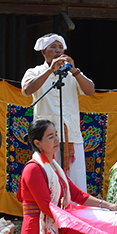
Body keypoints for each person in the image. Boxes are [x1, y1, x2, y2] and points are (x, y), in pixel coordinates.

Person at [17, 119, 117, 234]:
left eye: (56, 135)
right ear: (38, 143)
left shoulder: (54, 168)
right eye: (50, 137)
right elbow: (47, 208)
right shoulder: (33, 169)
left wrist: (107, 206)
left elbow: (76, 194)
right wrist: (80, 222)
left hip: (60, 226)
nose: (56, 140)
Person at [21, 33, 95, 191]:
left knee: (75, 182)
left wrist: (75, 70)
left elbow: (90, 90)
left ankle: (74, 213)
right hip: (46, 137)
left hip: (72, 136)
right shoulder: (34, 72)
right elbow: (27, 90)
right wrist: (50, 70)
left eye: (61, 47)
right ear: (43, 52)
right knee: (50, 181)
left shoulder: (71, 74)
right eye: (53, 47)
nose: (58, 51)